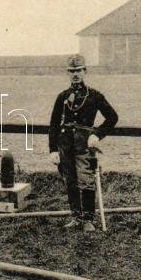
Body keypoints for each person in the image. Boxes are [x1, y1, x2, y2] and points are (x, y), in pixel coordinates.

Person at [49, 54, 119, 232]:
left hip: (84, 144)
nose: (75, 74)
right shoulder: (62, 97)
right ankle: (76, 217)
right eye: (71, 71)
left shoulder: (94, 96)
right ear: (68, 73)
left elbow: (112, 118)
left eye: (78, 70)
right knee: (69, 181)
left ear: (85, 71)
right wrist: (52, 150)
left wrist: (97, 134)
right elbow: (54, 125)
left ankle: (88, 219)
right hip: (65, 145)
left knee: (86, 180)